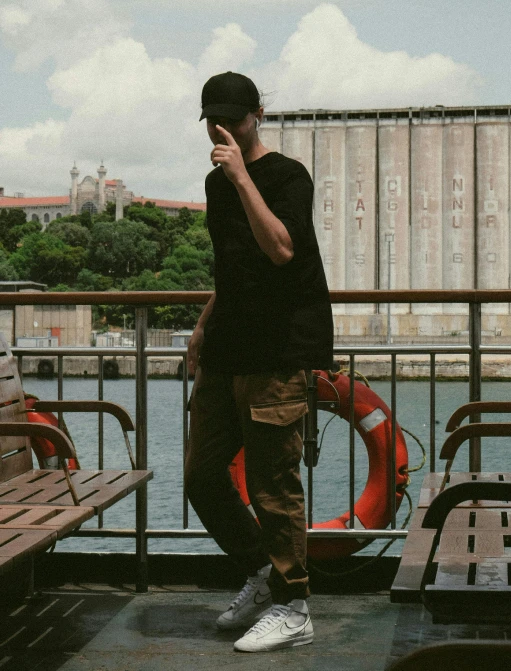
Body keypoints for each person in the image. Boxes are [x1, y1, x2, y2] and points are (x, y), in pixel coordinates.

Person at [185, 71, 333, 652]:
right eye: (212, 120)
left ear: (258, 114)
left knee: (273, 483)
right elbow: (233, 265)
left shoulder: (286, 176)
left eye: (233, 118)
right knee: (200, 476)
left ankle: (294, 607)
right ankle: (262, 574)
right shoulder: (215, 181)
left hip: (278, 348)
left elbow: (279, 249)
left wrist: (241, 176)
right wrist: (201, 324)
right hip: (227, 346)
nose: (222, 129)